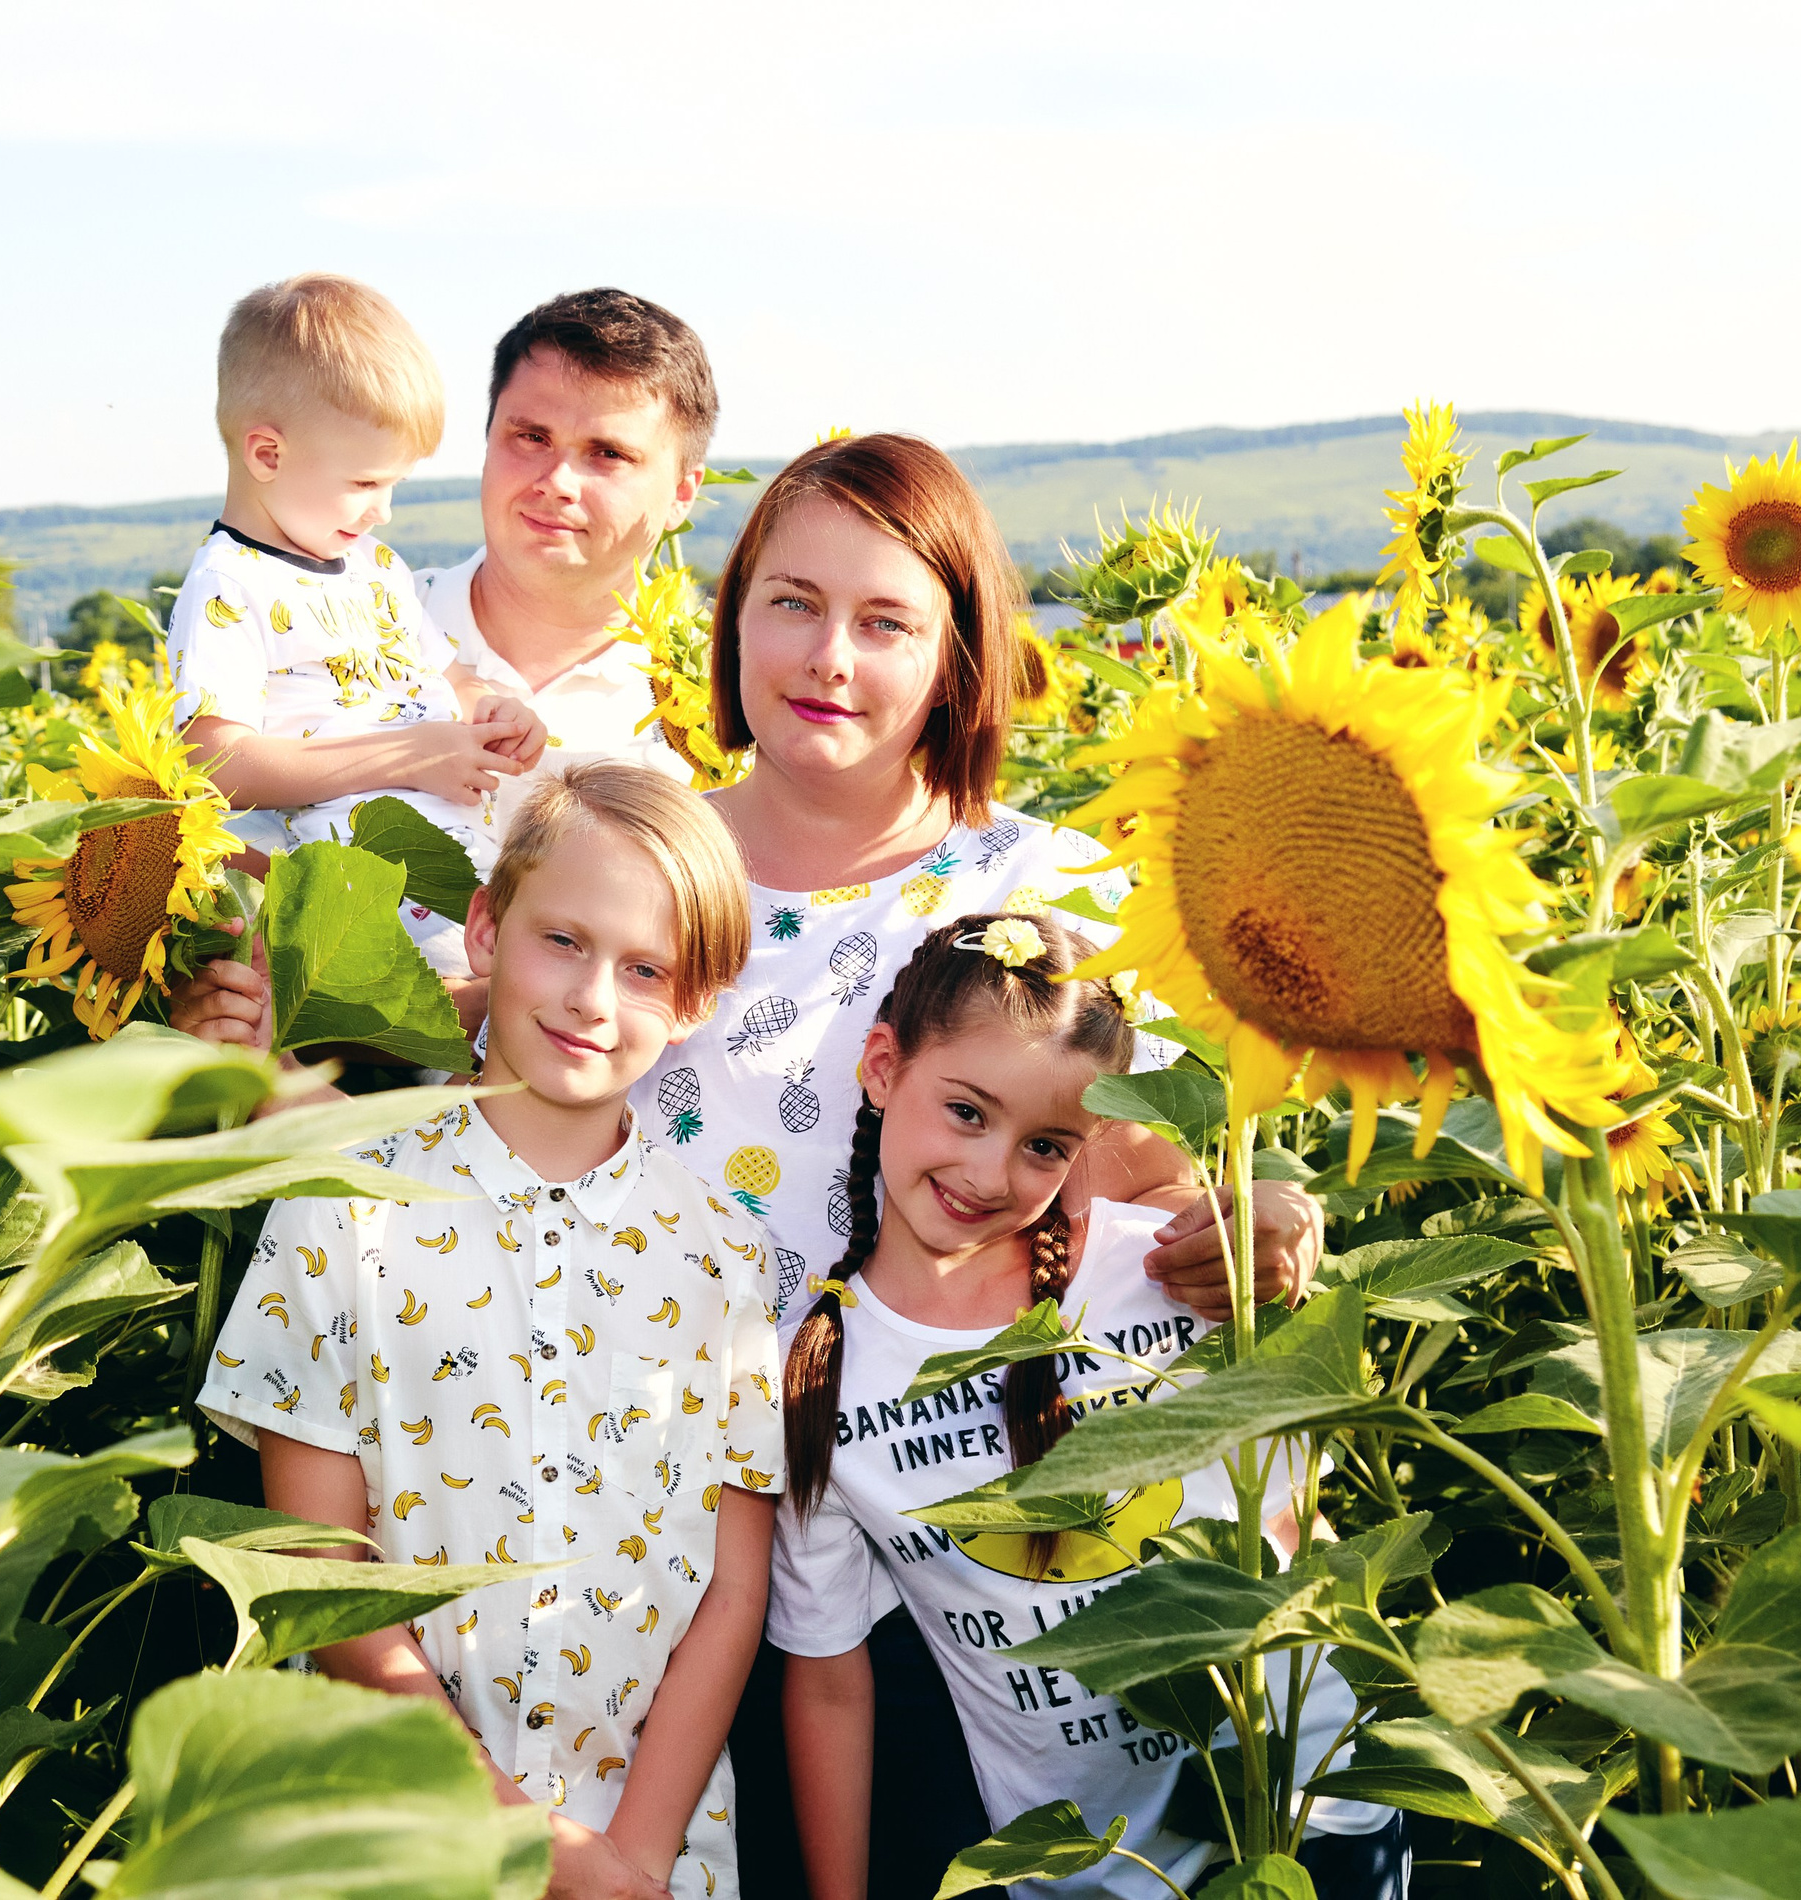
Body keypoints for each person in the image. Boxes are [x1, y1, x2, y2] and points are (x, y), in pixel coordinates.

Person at [618, 434, 1324, 1893]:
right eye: (792, 603)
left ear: (954, 658)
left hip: (983, 1526)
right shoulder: (646, 868)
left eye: (887, 622)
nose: (830, 656)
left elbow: (1147, 1179)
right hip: (673, 1522)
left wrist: (1254, 1220)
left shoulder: (1044, 886)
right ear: (733, 612)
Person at [199, 762, 782, 1900]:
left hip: (655, 1851)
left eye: (645, 968)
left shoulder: (723, 1250)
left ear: (694, 1002)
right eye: (561, 940)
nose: (592, 997)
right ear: (482, 929)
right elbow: (314, 1572)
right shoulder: (341, 1207)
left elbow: (732, 1590)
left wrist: (632, 1861)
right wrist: (537, 1848)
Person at [771, 916, 1403, 1900]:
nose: (990, 1174)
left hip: (1314, 1796)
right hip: (1087, 1868)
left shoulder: (1157, 1270)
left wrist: (1278, 1230)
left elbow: (1296, 1485)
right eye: (967, 1112)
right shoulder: (820, 1372)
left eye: (1045, 1145)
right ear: (883, 1066)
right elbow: (828, 1678)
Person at [163, 272, 547, 969]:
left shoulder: (374, 567)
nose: (383, 510)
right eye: (366, 483)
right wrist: (410, 756)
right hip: (352, 919)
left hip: (465, 882)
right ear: (268, 455)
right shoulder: (230, 581)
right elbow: (214, 760)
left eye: (393, 484)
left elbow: (447, 676)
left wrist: (495, 711)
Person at [410, 287, 714, 805]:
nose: (557, 482)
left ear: (681, 495)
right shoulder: (353, 625)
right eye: (532, 437)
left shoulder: (729, 698)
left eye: (608, 453)